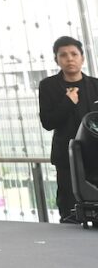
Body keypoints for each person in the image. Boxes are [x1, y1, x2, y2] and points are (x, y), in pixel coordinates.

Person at [38, 35, 98, 222]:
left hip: (95, 155)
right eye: (63, 55)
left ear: (82, 58)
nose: (69, 58)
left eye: (74, 54)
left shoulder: (95, 85)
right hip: (67, 156)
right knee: (69, 209)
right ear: (56, 59)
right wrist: (68, 101)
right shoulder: (48, 86)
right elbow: (48, 122)